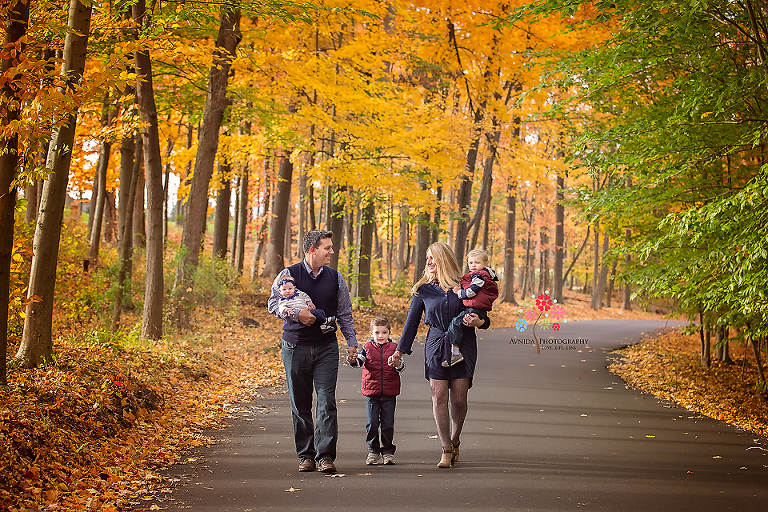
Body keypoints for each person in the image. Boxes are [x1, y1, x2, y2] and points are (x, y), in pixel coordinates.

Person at [389, 242, 490, 468]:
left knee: (459, 399)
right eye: (427, 258)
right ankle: (445, 447)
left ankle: (455, 440)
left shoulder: (465, 284)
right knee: (439, 396)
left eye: (433, 258)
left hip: (463, 343)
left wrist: (479, 321)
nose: (429, 262)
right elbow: (412, 322)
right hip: (435, 344)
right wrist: (399, 350)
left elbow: (483, 313)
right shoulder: (422, 289)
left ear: (444, 259)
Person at [267, 230, 358, 474]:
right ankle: (306, 455)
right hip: (295, 346)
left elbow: (344, 313)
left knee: (326, 401)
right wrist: (297, 314)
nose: (331, 251)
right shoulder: (288, 275)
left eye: (331, 247)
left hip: (327, 346)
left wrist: (351, 341)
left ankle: (325, 456)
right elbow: (273, 305)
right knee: (300, 402)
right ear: (312, 250)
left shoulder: (336, 278)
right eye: (327, 247)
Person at [350, 316, 405, 465]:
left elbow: (402, 367)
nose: (380, 336)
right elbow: (358, 363)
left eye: (384, 332)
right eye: (377, 333)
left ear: (389, 333)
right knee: (372, 423)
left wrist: (397, 362)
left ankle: (387, 451)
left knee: (387, 424)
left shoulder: (395, 349)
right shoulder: (367, 348)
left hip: (389, 392)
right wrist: (352, 360)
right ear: (371, 333)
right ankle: (373, 450)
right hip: (372, 392)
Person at [444, 249, 499, 367]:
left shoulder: (480, 276)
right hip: (476, 309)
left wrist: (459, 292)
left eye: (477, 263)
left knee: (455, 323)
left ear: (485, 264)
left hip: (474, 309)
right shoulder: (479, 275)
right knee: (457, 323)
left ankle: (455, 353)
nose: (473, 265)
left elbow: (471, 292)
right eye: (471, 263)